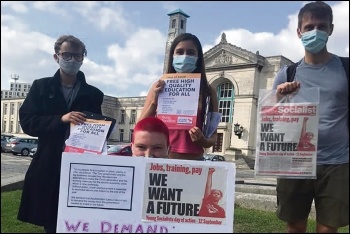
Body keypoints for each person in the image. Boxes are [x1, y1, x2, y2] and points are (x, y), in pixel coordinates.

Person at [272, 1, 349, 233]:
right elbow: (272, 121)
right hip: (295, 162)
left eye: (321, 26)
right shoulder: (287, 74)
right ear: (299, 32)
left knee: (327, 229)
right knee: (295, 226)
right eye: (309, 27)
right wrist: (280, 98)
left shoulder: (345, 69)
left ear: (330, 30)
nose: (315, 31)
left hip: (337, 161)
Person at [17, 35, 104, 233]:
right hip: (48, 164)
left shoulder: (94, 94)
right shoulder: (41, 87)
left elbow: (97, 129)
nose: (72, 60)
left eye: (77, 55)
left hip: (81, 168)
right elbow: (27, 122)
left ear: (83, 58)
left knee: (79, 220)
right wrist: (60, 119)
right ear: (56, 57)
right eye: (67, 55)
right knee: (51, 222)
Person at [138, 33, 219, 160]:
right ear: (172, 56)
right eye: (180, 52)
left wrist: (202, 141)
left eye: (191, 52)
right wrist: (154, 102)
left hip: (194, 161)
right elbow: (140, 127)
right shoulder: (158, 86)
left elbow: (213, 136)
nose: (185, 56)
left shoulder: (208, 91)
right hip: (161, 160)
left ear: (198, 58)